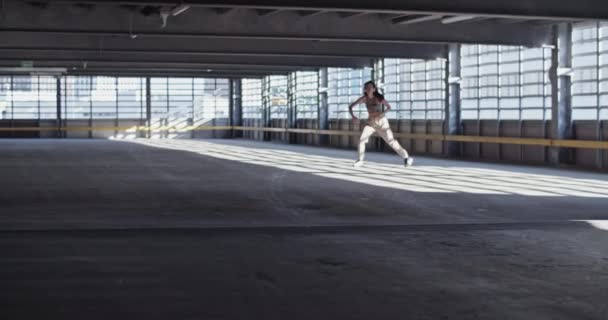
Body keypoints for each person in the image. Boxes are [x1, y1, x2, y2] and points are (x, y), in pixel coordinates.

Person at [349, 81, 413, 168]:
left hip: (382, 122)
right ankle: (360, 160)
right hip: (371, 123)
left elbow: (389, 107)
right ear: (365, 89)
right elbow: (351, 106)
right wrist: (353, 116)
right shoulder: (364, 99)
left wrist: (383, 113)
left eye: (370, 87)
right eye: (366, 87)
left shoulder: (378, 98)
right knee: (361, 140)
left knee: (391, 142)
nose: (368, 88)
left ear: (374, 89)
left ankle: (406, 157)